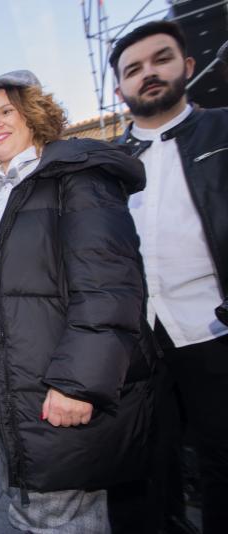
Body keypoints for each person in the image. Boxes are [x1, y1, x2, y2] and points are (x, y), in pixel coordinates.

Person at [0, 70, 154, 533]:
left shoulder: (73, 174)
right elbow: (7, 266)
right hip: (8, 364)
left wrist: (78, 383)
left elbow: (109, 284)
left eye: (6, 111)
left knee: (59, 509)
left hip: (55, 362)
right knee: (29, 495)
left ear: (33, 113)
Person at [110, 20, 228, 534]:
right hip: (136, 343)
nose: (149, 74)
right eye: (134, 70)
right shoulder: (106, 163)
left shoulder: (222, 131)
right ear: (120, 90)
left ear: (188, 66)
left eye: (161, 60)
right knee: (140, 473)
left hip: (214, 329)